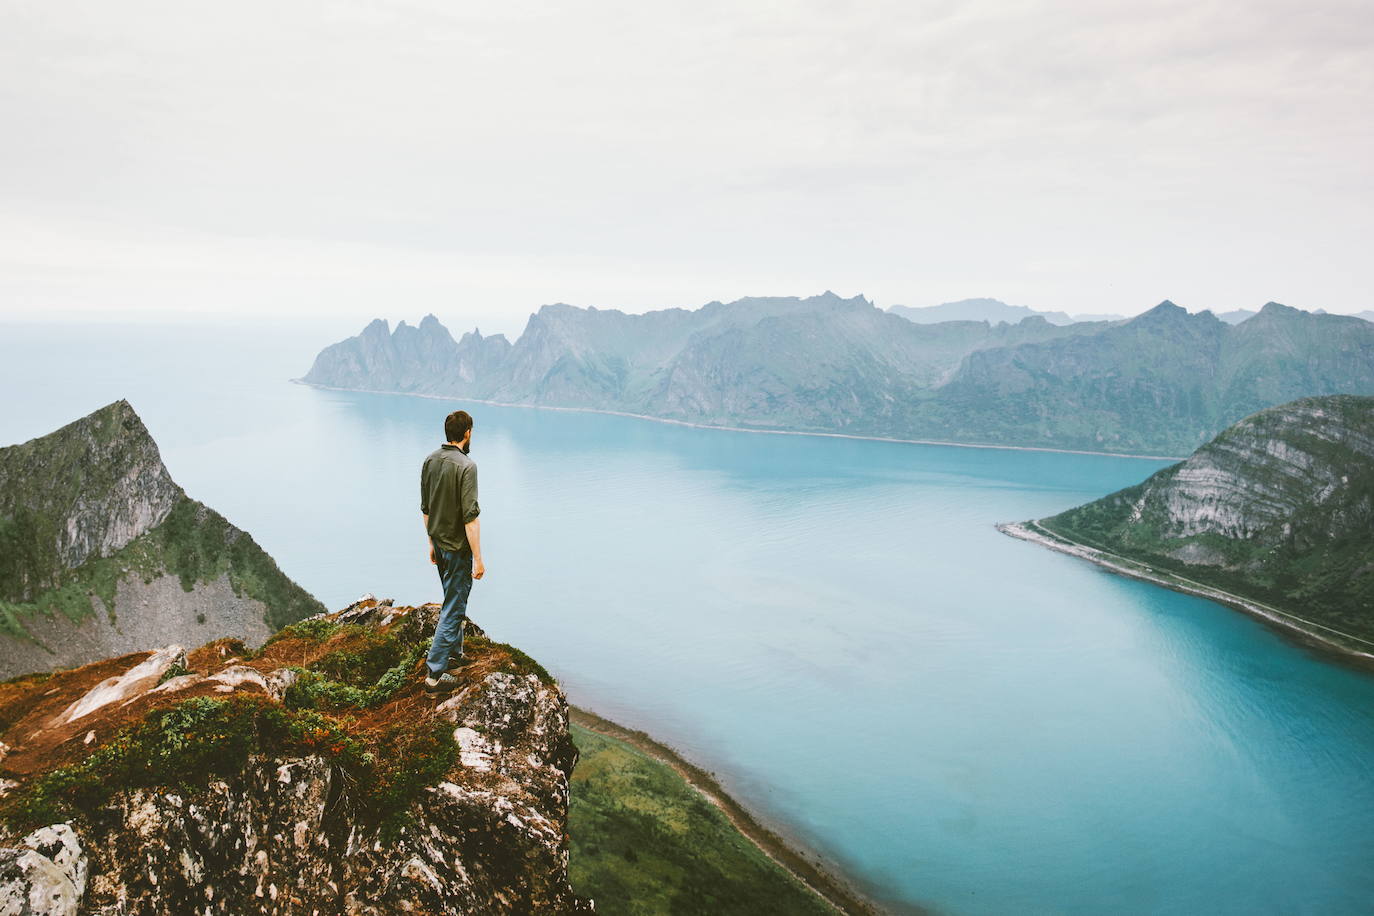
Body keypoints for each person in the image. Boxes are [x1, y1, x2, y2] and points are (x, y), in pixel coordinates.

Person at [419, 409, 486, 694]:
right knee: (454, 606)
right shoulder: (466, 467)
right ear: (467, 432)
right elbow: (470, 519)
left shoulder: (430, 460)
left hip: (440, 544)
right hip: (458, 549)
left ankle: (455, 657)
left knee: (452, 598)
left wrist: (431, 543)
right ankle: (434, 675)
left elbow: (426, 509)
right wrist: (479, 559)